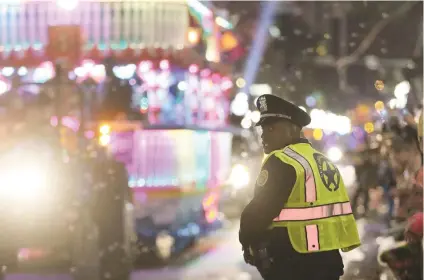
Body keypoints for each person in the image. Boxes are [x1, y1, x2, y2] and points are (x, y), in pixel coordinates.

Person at [239, 94, 361, 280]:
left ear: (292, 130)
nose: (263, 136)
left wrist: (247, 240)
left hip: (293, 263)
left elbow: (259, 212)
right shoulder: (323, 161)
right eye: (263, 130)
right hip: (328, 261)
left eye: (270, 128)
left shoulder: (282, 161)